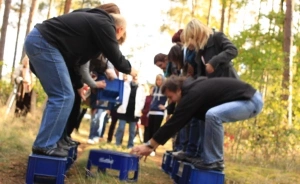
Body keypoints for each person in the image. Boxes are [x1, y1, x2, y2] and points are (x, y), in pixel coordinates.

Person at [24, 8, 137, 157]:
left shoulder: (93, 24)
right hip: (44, 43)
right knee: (63, 96)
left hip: (41, 41)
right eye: (118, 38)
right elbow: (117, 59)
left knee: (63, 96)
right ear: (119, 29)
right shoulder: (105, 25)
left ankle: (52, 141)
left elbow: (76, 64)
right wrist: (131, 70)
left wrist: (78, 85)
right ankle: (44, 144)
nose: (114, 41)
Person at [131, 75, 263, 171]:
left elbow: (175, 122)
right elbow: (181, 121)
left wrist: (150, 145)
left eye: (171, 97)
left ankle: (215, 161)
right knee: (202, 116)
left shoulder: (193, 93)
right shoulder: (192, 90)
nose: (172, 102)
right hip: (248, 99)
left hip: (250, 100)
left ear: (178, 90)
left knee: (213, 115)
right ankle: (199, 155)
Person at [115, 76, 146, 149]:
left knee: (132, 131)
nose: (135, 78)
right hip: (124, 111)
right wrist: (118, 104)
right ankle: (117, 143)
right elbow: (119, 94)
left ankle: (130, 145)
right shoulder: (125, 84)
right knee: (121, 128)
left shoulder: (141, 88)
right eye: (134, 76)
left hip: (134, 112)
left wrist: (140, 108)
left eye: (137, 77)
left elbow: (142, 100)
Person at [145, 74, 167, 156]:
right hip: (151, 112)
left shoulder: (165, 90)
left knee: (155, 131)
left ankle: (153, 149)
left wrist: (166, 107)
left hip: (159, 113)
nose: (159, 81)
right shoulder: (154, 89)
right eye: (157, 80)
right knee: (149, 131)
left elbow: (171, 100)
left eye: (160, 80)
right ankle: (147, 147)